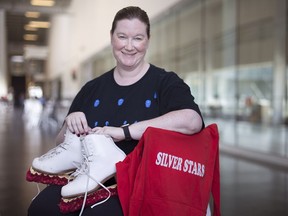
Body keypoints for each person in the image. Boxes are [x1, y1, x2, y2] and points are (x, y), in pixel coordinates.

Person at [28, 6, 204, 216]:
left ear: (147, 40)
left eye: (137, 38)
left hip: (141, 183)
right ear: (112, 38)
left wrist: (123, 132)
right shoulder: (91, 89)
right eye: (122, 37)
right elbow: (61, 142)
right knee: (40, 208)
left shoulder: (165, 83)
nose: (129, 46)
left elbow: (192, 121)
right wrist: (70, 123)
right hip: (86, 178)